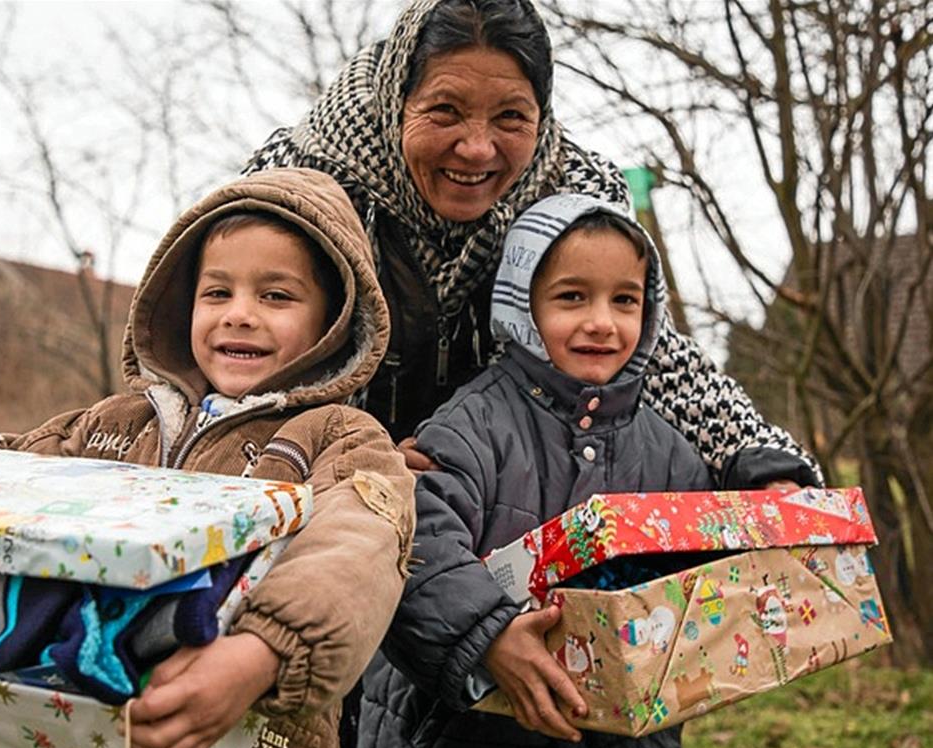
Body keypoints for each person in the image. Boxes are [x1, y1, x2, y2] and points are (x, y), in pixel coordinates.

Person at [0, 167, 416, 748]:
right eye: (217, 292)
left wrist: (259, 654)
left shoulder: (341, 438)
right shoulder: (111, 426)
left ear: (333, 323)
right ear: (183, 307)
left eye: (276, 295)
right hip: (76, 725)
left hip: (250, 733)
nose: (239, 313)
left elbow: (355, 549)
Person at [245, 0, 821, 484]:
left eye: (511, 117)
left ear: (542, 117)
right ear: (398, 99)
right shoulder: (299, 185)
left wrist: (758, 460)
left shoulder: (571, 199)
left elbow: (650, 356)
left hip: (504, 503)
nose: (477, 148)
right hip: (317, 496)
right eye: (445, 110)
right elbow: (228, 352)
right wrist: (358, 465)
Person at [358, 193, 805, 748]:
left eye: (625, 300)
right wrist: (486, 638)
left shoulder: (674, 455)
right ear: (523, 306)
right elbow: (413, 538)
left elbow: (707, 583)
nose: (602, 323)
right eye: (572, 297)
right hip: (463, 736)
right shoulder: (472, 424)